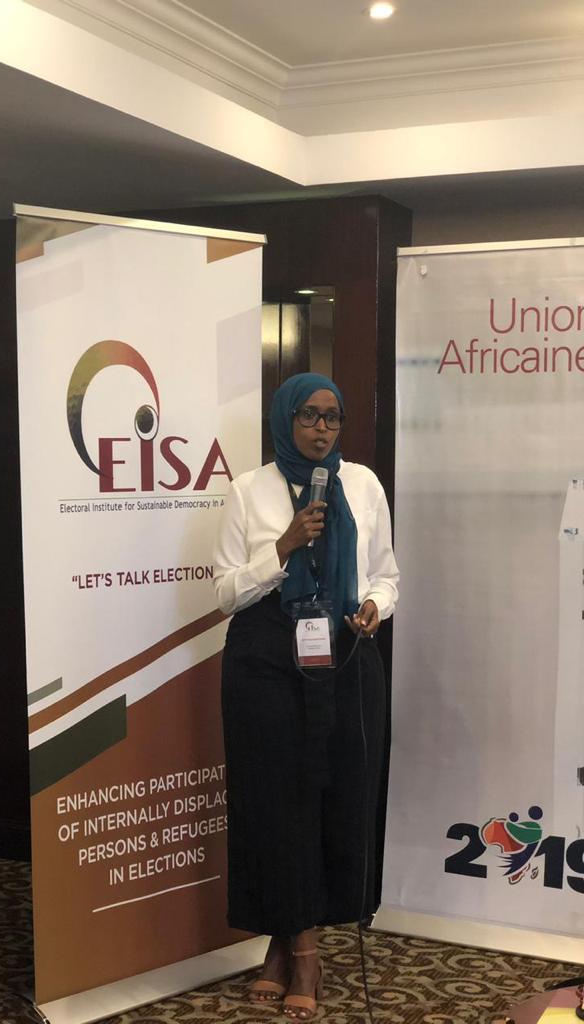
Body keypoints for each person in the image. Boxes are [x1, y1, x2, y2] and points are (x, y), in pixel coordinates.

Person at [213, 372, 399, 1020]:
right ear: (285, 419)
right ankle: (305, 951)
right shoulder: (249, 490)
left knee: (335, 795)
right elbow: (224, 592)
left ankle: (284, 942)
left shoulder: (364, 485)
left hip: (343, 650)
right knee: (276, 800)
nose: (322, 429)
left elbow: (386, 574)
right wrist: (283, 548)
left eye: (332, 417)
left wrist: (375, 606)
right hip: (266, 655)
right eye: (310, 416)